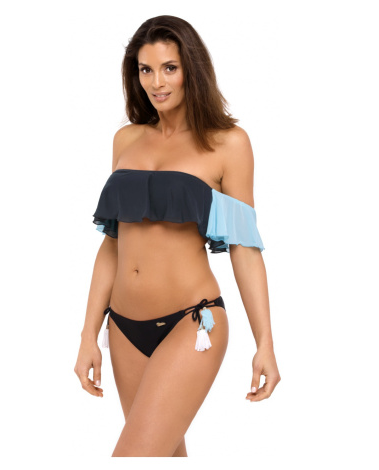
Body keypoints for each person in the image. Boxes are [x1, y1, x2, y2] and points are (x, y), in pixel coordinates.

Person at [74, 15, 281, 457]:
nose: (156, 82)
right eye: (145, 70)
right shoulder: (126, 139)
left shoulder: (228, 143)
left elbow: (245, 247)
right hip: (123, 328)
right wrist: (88, 333)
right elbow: (113, 243)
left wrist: (265, 342)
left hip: (193, 322)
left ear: (192, 68)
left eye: (169, 68)